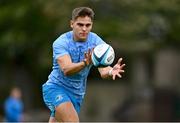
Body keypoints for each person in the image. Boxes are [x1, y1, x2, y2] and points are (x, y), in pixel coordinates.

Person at [42, 6, 125, 122]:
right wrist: (85, 63)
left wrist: (111, 71)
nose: (84, 29)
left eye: (88, 25)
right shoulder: (61, 42)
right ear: (72, 24)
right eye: (80, 25)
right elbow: (66, 69)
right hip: (56, 88)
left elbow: (103, 71)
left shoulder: (96, 42)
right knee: (72, 121)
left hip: (77, 94)